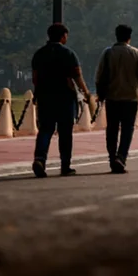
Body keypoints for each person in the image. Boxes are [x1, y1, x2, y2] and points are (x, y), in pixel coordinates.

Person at [31, 23, 90, 178]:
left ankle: (40, 159)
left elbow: (35, 78)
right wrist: (86, 93)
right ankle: (65, 165)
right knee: (65, 133)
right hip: (65, 97)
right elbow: (77, 77)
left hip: (45, 97)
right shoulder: (69, 54)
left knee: (45, 130)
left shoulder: (39, 54)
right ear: (63, 36)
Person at [95, 24, 138, 174]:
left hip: (112, 98)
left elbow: (99, 76)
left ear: (116, 36)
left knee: (112, 129)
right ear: (129, 37)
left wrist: (100, 95)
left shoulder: (107, 53)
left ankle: (112, 158)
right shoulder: (136, 54)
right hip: (130, 99)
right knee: (127, 130)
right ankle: (121, 157)